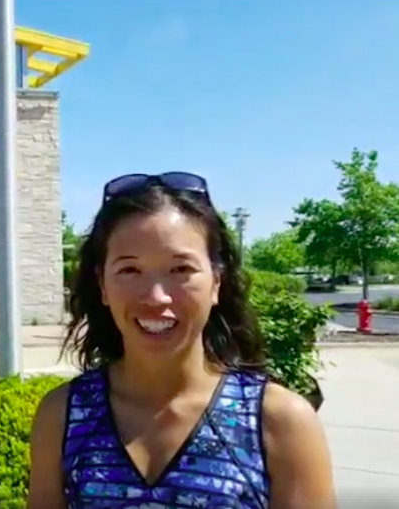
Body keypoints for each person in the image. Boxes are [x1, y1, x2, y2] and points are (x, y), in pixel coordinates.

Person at [27, 173, 336, 509]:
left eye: (180, 270)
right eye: (130, 271)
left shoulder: (280, 421)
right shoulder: (63, 415)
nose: (156, 297)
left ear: (216, 282)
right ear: (102, 285)